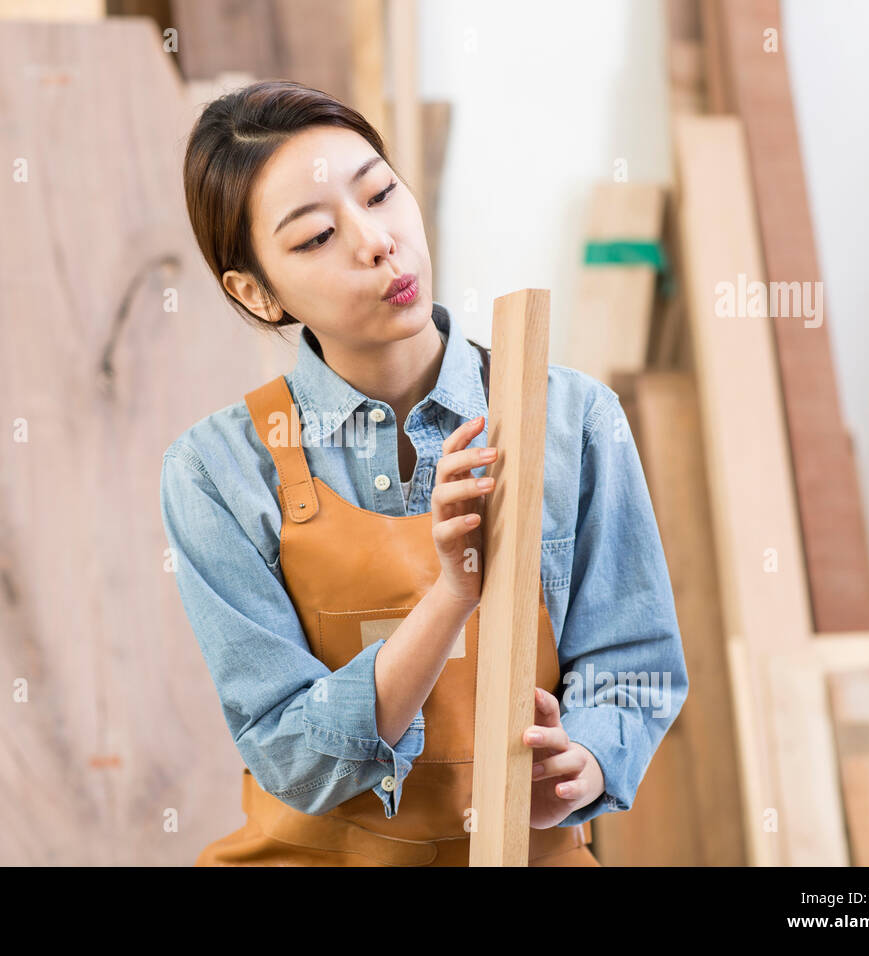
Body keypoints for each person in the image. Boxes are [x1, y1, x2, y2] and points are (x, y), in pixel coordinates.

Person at [160, 80, 688, 866]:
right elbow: (289, 752)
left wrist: (587, 764)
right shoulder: (215, 471)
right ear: (257, 292)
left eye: (380, 193)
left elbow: (632, 660)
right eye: (314, 238)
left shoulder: (576, 419)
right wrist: (452, 597)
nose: (377, 242)